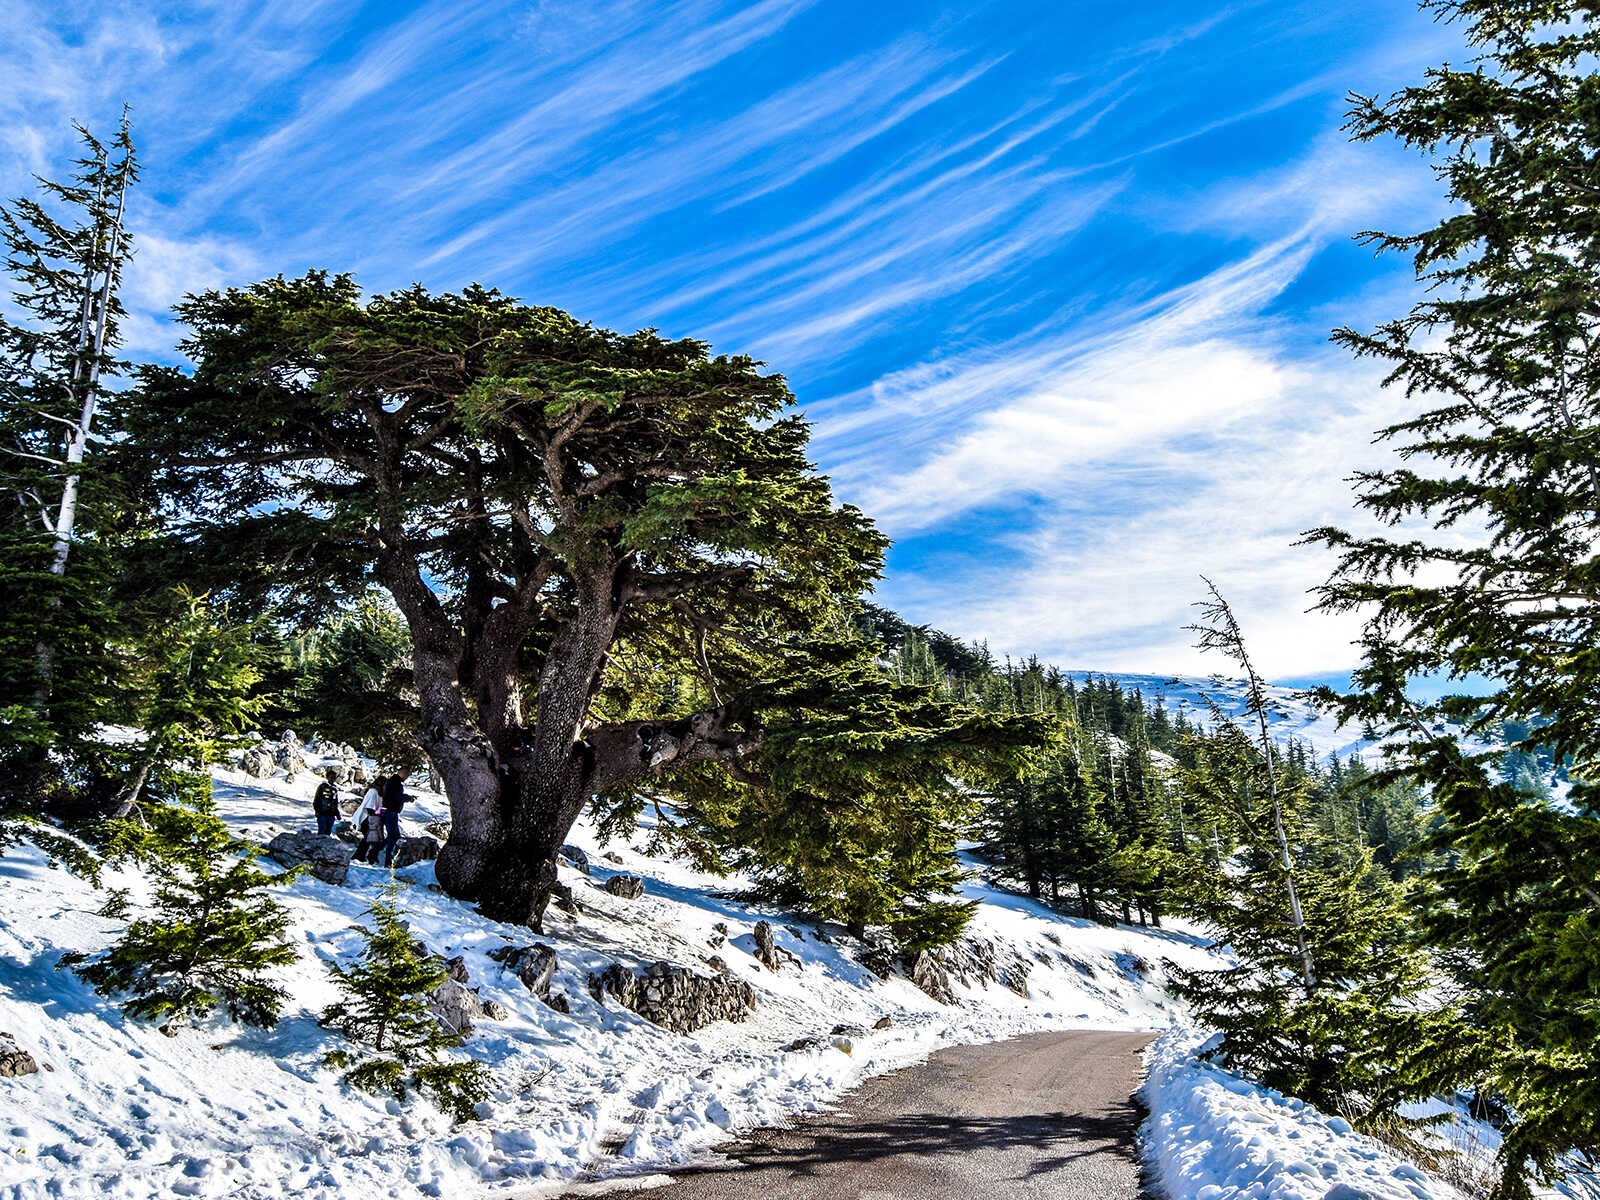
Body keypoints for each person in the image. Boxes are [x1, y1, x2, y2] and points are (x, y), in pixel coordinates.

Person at [379, 768, 411, 868]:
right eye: (406, 774)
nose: (407, 777)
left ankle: (389, 858)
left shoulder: (393, 782)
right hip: (390, 811)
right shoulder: (395, 783)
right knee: (393, 836)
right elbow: (396, 797)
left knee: (394, 836)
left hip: (391, 811)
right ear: (401, 773)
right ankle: (389, 860)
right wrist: (407, 798)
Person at [351, 776, 386, 864]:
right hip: (366, 818)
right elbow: (370, 808)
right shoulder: (373, 792)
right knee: (368, 838)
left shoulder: (379, 793)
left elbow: (377, 808)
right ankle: (359, 856)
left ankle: (360, 856)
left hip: (371, 818)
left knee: (368, 839)